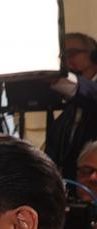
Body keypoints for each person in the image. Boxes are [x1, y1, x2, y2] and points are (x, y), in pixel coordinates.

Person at [47, 32, 97, 181]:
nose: (66, 61)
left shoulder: (87, 93)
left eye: (72, 53)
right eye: (62, 56)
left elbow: (91, 93)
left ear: (94, 56)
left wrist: (59, 78)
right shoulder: (67, 114)